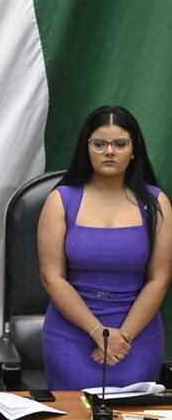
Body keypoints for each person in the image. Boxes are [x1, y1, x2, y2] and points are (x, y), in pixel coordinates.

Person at [38, 106, 170, 390]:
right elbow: (52, 277)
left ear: (133, 149)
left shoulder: (156, 203)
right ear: (87, 148)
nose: (109, 151)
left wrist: (123, 338)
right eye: (99, 144)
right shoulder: (60, 200)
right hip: (72, 335)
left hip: (137, 335)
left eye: (119, 144)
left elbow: (159, 279)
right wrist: (98, 332)